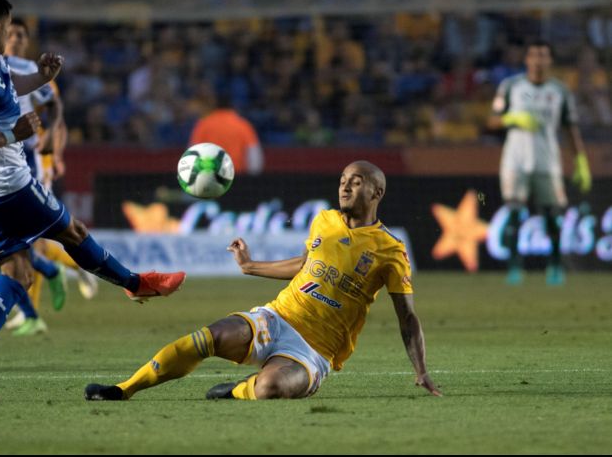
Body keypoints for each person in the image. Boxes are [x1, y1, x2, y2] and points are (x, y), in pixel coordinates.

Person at [0, 0, 186, 402]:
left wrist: (39, 78)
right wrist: (12, 134)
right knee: (72, 231)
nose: (12, 38)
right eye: (10, 28)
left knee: (17, 274)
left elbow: (5, 83)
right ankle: (134, 283)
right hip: (6, 186)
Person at [85, 161, 441, 401]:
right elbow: (306, 264)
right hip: (278, 316)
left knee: (271, 387)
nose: (345, 188)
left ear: (376, 193)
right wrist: (251, 266)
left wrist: (421, 370)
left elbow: (406, 316)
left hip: (316, 351)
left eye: (356, 182)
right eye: (342, 181)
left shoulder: (390, 250)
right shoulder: (324, 221)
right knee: (207, 338)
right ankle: (123, 389)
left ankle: (239, 390)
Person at [2, 17, 98, 337]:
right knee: (29, 240)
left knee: (32, 237)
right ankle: (69, 270)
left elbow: (58, 118)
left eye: (20, 35)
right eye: (11, 33)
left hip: (34, 159)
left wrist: (55, 154)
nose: (15, 38)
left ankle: (30, 311)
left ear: (26, 42)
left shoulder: (35, 73)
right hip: (4, 158)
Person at [487, 40, 591, 286]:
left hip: (547, 161)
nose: (538, 60)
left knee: (551, 216)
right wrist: (512, 118)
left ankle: (555, 267)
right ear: (527, 59)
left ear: (550, 60)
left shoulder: (560, 91)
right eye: (534, 55)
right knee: (514, 213)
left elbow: (570, 128)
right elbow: (492, 121)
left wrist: (581, 162)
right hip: (515, 160)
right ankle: (514, 270)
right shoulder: (511, 86)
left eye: (543, 55)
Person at [189, 95, 263, 175]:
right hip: (237, 177)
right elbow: (253, 155)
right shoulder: (243, 125)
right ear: (232, 106)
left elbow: (192, 152)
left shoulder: (204, 124)